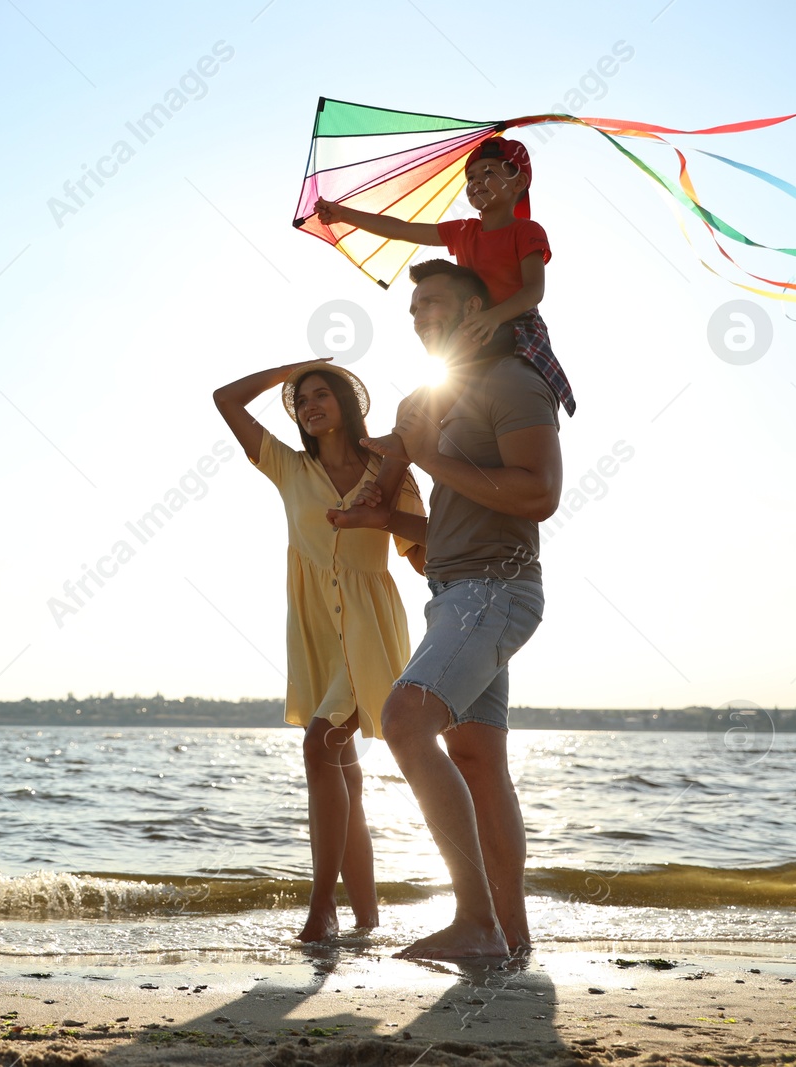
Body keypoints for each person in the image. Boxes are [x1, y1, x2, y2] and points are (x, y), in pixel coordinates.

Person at [331, 258, 563, 959]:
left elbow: (539, 494)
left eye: (434, 302)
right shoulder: (429, 401)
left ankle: (475, 920)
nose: (419, 315)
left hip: (498, 589)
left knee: (405, 718)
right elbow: (442, 512)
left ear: (474, 310)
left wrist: (432, 460)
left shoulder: (514, 384)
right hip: (454, 591)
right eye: (413, 308)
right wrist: (378, 513)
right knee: (478, 761)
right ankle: (510, 935)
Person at [213, 359, 426, 942]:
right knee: (344, 774)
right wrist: (293, 367)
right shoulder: (289, 467)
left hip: (370, 629)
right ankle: (367, 917)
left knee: (320, 745)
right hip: (314, 634)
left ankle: (321, 907)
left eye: (320, 392)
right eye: (300, 398)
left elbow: (421, 548)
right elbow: (226, 398)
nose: (309, 403)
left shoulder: (389, 470)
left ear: (346, 404)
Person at [314, 135, 576, 418]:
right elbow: (402, 230)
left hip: (515, 323)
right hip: (473, 325)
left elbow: (533, 291)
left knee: (445, 384)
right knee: (434, 392)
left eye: (489, 173)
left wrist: (494, 317)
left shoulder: (527, 231)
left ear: (518, 183)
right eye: (471, 177)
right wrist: (343, 214)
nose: (476, 182)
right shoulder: (464, 231)